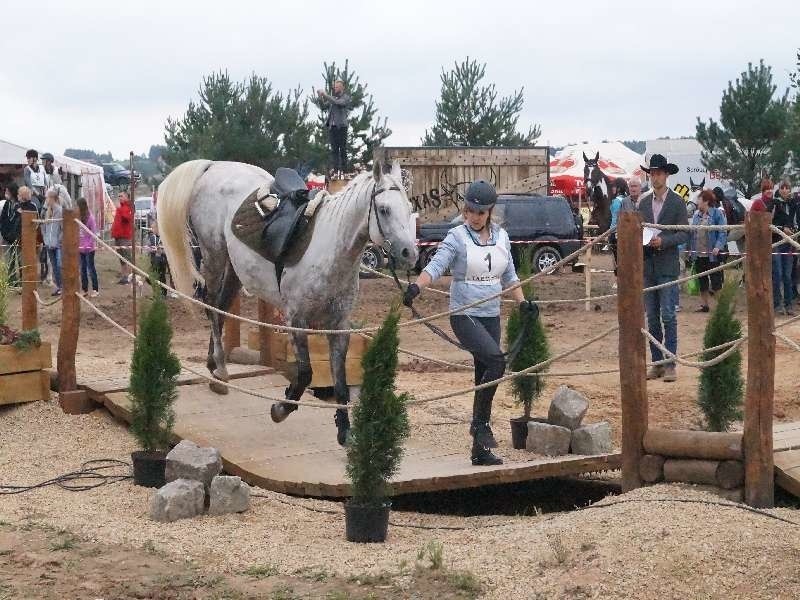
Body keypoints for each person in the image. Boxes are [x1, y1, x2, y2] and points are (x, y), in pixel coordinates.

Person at [402, 179, 536, 466]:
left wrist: (523, 303)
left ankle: (479, 451)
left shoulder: (502, 237)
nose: (474, 217)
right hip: (465, 314)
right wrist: (417, 286)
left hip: (491, 315)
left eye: (480, 212)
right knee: (497, 363)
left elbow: (510, 276)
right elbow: (436, 266)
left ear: (490, 212)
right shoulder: (456, 237)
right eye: (470, 211)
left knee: (482, 376)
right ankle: (480, 425)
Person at [638, 154, 689, 382]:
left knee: (668, 315)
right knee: (652, 316)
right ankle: (657, 362)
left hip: (667, 265)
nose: (655, 177)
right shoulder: (643, 202)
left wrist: (664, 241)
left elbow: (684, 233)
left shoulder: (677, 202)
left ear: (666, 175)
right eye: (652, 173)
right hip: (648, 266)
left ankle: (670, 364)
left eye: (658, 173)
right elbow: (638, 229)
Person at [688, 190, 728, 312]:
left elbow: (722, 231)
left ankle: (721, 307)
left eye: (699, 199)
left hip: (712, 255)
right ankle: (705, 305)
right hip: (699, 254)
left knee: (716, 282)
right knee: (702, 281)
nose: (697, 202)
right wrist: (690, 250)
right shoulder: (696, 215)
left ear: (706, 201)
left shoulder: (717, 214)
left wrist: (718, 246)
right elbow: (692, 233)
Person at [769, 179, 797, 316]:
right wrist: (782, 228)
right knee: (777, 274)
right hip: (776, 243)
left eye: (787, 187)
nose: (785, 190)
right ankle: (777, 304)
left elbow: (795, 222)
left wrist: (792, 230)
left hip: (789, 243)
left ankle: (789, 304)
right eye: (782, 187)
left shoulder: (794, 204)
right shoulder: (774, 203)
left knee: (787, 275)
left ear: (790, 189)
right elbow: (769, 223)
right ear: (779, 189)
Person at [317, 79, 351, 177]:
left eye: (337, 87)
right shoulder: (333, 98)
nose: (335, 89)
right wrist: (320, 97)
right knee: (334, 150)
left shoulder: (345, 97)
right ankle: (336, 171)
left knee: (343, 149)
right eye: (334, 87)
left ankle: (345, 171)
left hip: (342, 127)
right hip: (332, 127)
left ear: (342, 88)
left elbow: (338, 103)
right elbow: (324, 106)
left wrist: (326, 95)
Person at [42, 187, 64, 296]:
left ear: (52, 198)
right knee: (54, 266)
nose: (46, 200)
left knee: (60, 265)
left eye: (47, 198)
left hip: (58, 244)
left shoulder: (60, 211)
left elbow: (63, 228)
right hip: (49, 244)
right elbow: (44, 227)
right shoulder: (47, 212)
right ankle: (58, 287)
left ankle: (63, 286)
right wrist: (46, 239)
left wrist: (59, 239)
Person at [76, 197, 100, 297]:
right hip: (80, 249)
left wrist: (88, 245)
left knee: (91, 269)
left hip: (89, 249)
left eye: (77, 206)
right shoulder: (78, 217)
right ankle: (84, 289)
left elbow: (93, 233)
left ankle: (95, 289)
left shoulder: (90, 218)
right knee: (82, 269)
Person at [0, 184, 21, 285]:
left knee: (20, 259)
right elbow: (3, 219)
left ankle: (22, 280)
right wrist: (4, 232)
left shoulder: (20, 204)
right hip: (8, 236)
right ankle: (11, 280)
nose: (6, 194)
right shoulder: (7, 204)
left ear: (12, 192)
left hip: (18, 236)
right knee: (10, 259)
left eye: (7, 192)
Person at [111, 191, 133, 284]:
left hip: (125, 237)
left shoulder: (127, 207)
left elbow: (127, 218)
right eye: (119, 196)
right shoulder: (120, 208)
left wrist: (119, 210)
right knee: (121, 258)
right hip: (118, 236)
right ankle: (124, 276)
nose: (119, 197)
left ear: (127, 197)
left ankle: (131, 276)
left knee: (127, 257)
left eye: (121, 196)